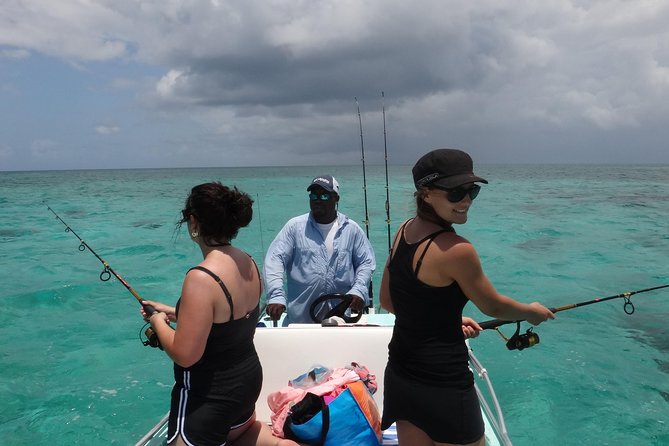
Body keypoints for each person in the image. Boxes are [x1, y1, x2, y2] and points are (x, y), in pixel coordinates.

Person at [379, 149, 555, 446]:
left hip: (400, 374)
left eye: (471, 191)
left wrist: (446, 319)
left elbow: (389, 300)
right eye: (456, 192)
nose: (466, 201)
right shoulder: (458, 249)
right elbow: (493, 305)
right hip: (443, 382)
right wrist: (531, 312)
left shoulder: (404, 231)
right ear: (425, 193)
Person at [140, 182, 298, 446]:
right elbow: (225, 321)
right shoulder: (248, 262)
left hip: (209, 398)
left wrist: (157, 322)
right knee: (244, 435)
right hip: (245, 386)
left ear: (194, 222)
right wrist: (172, 312)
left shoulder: (200, 278)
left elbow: (186, 355)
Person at [263, 175, 376, 325]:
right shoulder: (294, 227)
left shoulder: (352, 230)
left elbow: (366, 263)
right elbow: (274, 260)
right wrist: (276, 295)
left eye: (324, 195)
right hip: (300, 322)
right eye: (314, 195)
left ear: (336, 198)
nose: (317, 199)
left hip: (341, 319)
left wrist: (359, 289)